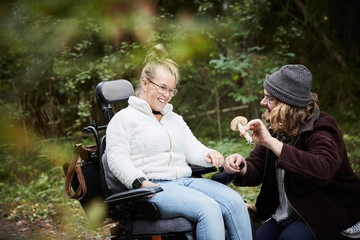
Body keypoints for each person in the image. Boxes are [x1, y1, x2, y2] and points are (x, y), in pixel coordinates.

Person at [104, 44, 253, 240]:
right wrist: (139, 182)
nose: (167, 95)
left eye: (171, 90)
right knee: (208, 208)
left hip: (185, 181)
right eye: (162, 87)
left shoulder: (174, 118)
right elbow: (117, 159)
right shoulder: (124, 119)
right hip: (154, 187)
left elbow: (191, 148)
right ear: (145, 83)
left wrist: (208, 154)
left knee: (234, 201)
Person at [224, 64, 360, 240]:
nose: (262, 102)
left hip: (328, 209)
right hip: (288, 212)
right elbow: (256, 168)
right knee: (260, 237)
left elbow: (322, 169)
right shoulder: (275, 129)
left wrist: (271, 142)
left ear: (287, 105)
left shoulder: (322, 127)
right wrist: (240, 166)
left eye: (269, 98)